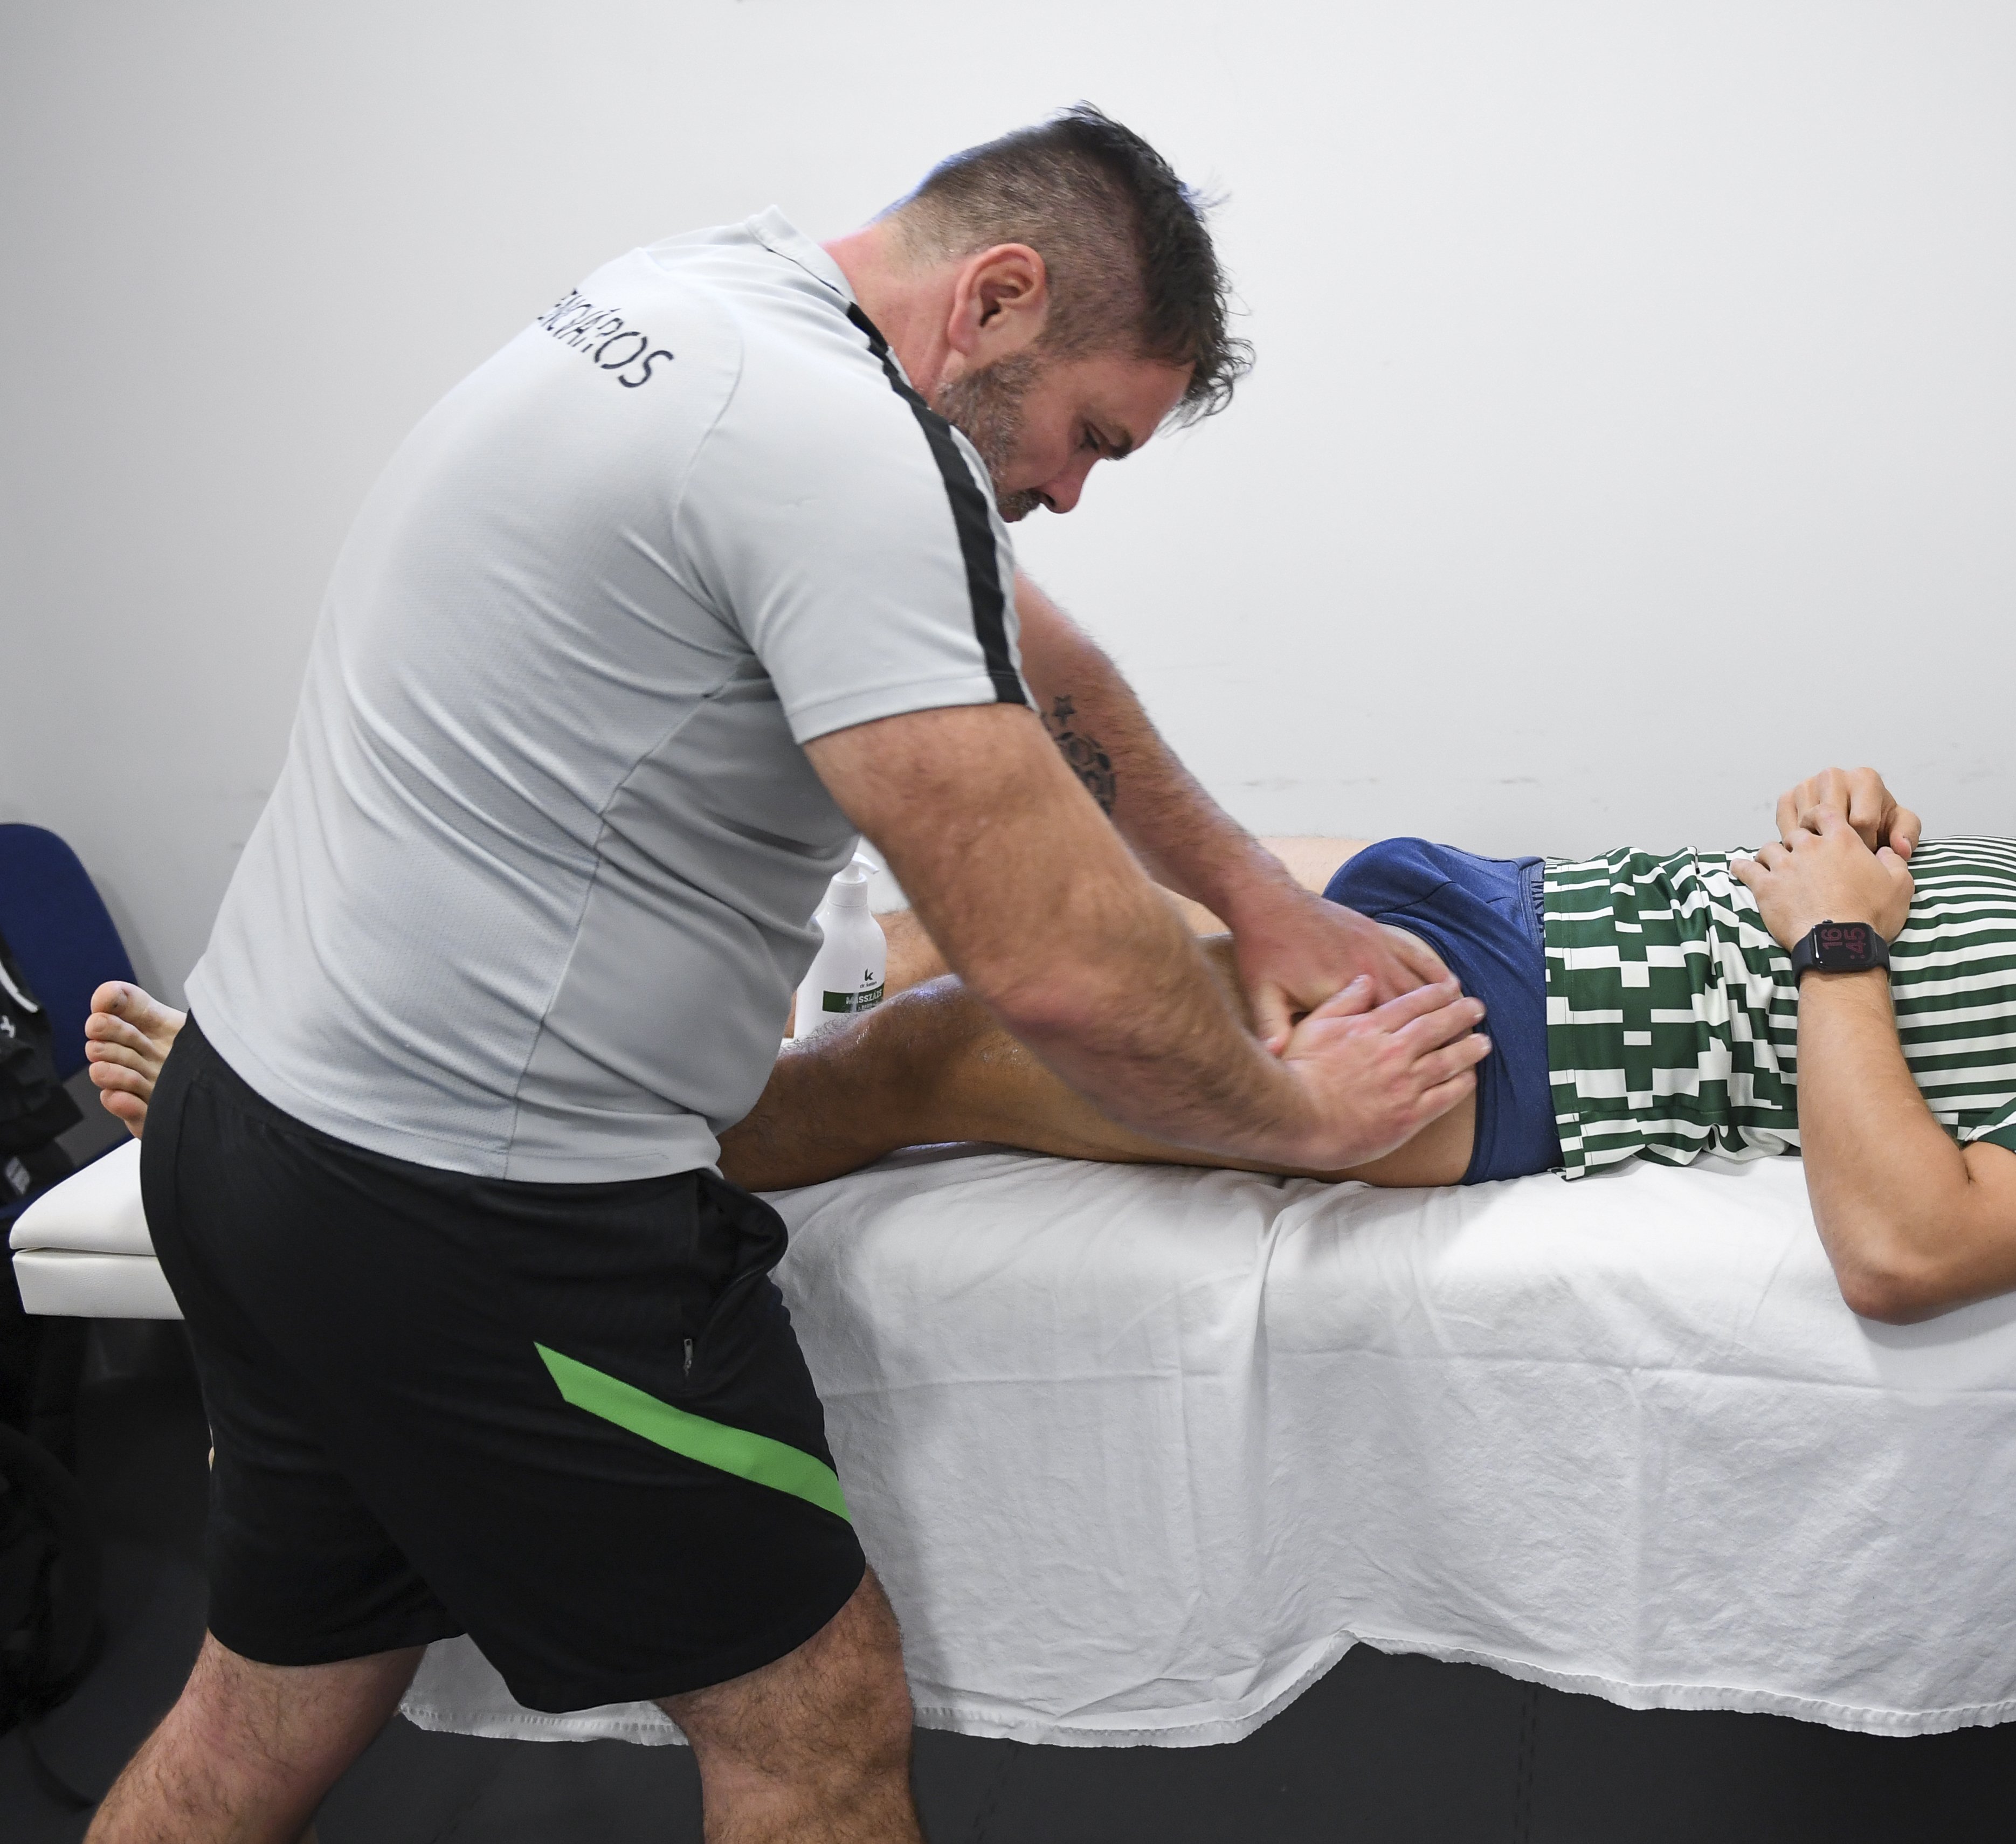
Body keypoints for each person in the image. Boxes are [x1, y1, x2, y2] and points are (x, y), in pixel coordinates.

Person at [78, 109, 1487, 1844]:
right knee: (813, 1730)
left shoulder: (695, 303)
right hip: (477, 1216)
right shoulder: (840, 449)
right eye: (1088, 437)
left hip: (251, 1123)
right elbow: (1053, 968)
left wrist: (1254, 900)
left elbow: (1036, 655)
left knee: (264, 1710)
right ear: (999, 297)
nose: (1067, 492)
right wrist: (1300, 1120)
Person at [99, 623, 2016, 1342]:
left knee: (923, 1051)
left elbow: (1910, 1241)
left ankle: (312, 1112)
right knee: (961, 856)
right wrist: (1853, 835)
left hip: (1485, 1063)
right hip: (1468, 899)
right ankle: (374, 1048)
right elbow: (1861, 923)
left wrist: (1835, 925)